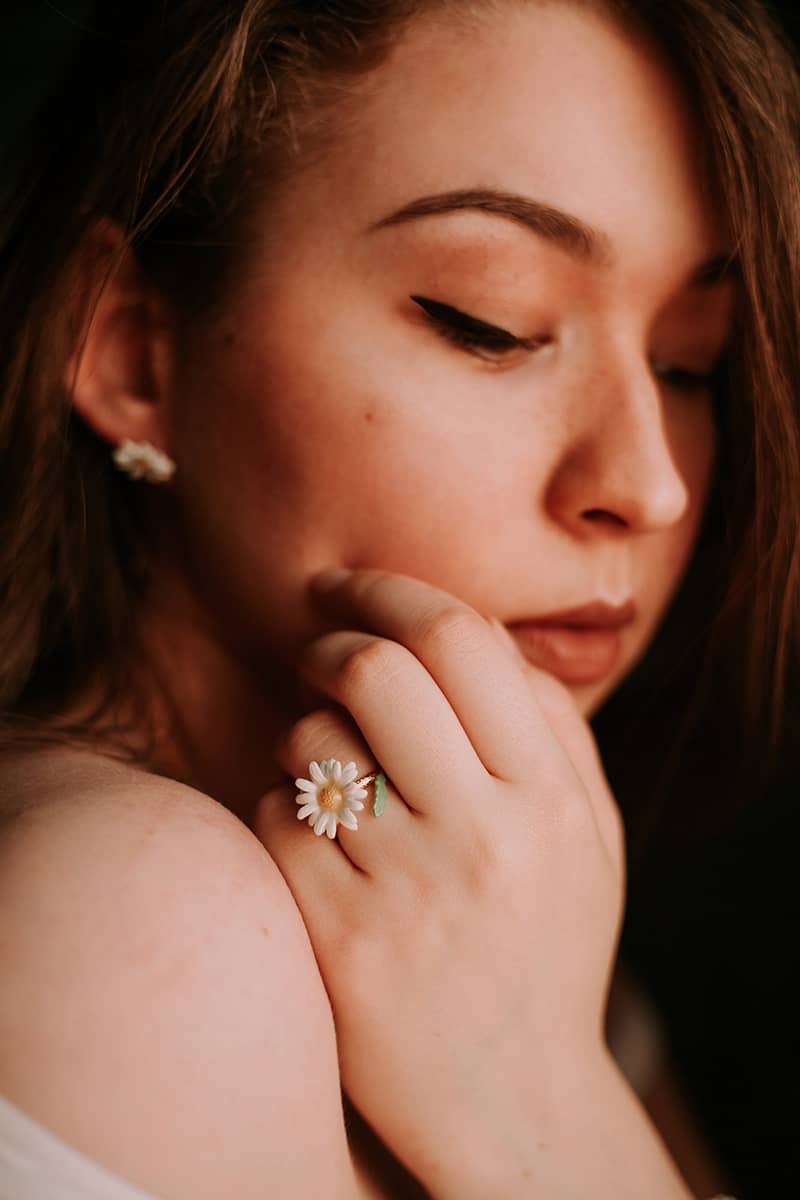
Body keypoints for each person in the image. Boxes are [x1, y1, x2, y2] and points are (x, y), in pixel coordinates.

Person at [0, 0, 798, 1196]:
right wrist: (543, 1106)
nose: (647, 486)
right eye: (490, 323)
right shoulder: (140, 915)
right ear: (129, 349)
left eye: (690, 360)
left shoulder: (481, 909)